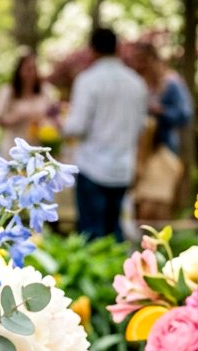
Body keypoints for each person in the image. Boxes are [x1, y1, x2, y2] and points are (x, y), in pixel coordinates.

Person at [63, 26, 149, 241]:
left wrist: (60, 123)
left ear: (92, 50)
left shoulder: (88, 80)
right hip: (122, 168)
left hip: (93, 167)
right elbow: (141, 126)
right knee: (115, 235)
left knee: (92, 238)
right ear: (117, 48)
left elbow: (77, 127)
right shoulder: (136, 83)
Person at [130, 42, 194, 156]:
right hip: (141, 147)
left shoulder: (171, 83)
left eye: (142, 60)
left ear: (153, 60)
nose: (139, 65)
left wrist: (161, 111)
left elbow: (185, 113)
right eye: (136, 60)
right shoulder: (138, 83)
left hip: (164, 148)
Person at [0, 49, 56, 153]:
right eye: (27, 69)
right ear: (19, 70)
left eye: (33, 69)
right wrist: (14, 118)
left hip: (39, 147)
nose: (30, 73)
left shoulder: (46, 90)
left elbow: (55, 113)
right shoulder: (7, 91)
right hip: (14, 147)